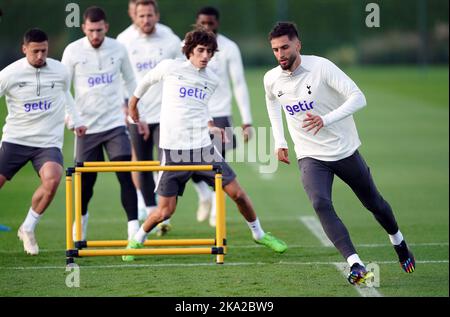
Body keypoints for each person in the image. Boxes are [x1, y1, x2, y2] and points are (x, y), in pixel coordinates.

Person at [264, 22, 415, 285]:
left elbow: (358, 97)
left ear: (298, 44)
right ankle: (355, 263)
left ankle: (398, 242)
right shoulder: (271, 78)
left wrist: (326, 119)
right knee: (320, 203)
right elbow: (272, 101)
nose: (281, 54)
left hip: (344, 151)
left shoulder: (321, 67)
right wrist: (279, 139)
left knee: (374, 204)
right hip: (310, 155)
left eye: (285, 47)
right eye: (275, 50)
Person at [123, 28, 287, 261]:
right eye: (201, 50)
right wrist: (133, 108)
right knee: (164, 211)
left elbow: (200, 108)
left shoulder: (212, 79)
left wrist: (210, 126)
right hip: (173, 151)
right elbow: (143, 84)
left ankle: (259, 233)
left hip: (203, 149)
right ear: (189, 51)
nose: (205, 56)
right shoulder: (170, 67)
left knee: (238, 193)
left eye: (210, 52)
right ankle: (137, 239)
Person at [0, 28, 86, 255]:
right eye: (35, 51)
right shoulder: (9, 74)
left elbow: (67, 95)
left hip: (47, 142)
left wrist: (75, 120)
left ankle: (28, 227)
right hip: (15, 139)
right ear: (24, 49)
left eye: (44, 51)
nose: (40, 56)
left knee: (53, 179)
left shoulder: (60, 71)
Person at [62, 7, 139, 242]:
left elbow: (131, 79)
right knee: (86, 183)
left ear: (106, 27)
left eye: (99, 30)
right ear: (84, 28)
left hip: (115, 124)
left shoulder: (118, 48)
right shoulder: (73, 51)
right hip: (86, 127)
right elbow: (62, 87)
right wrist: (71, 117)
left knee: (125, 174)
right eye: (91, 30)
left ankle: (134, 230)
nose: (95, 35)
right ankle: (80, 228)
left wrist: (132, 107)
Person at [117, 0, 183, 236]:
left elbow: (183, 71)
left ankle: (163, 209)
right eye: (141, 15)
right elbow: (120, 79)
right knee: (142, 164)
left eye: (149, 15)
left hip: (166, 114)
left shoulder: (170, 39)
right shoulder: (123, 41)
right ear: (134, 15)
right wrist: (128, 107)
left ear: (157, 15)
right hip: (137, 114)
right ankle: (153, 210)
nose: (145, 20)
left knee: (166, 163)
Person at [192, 7, 254, 227]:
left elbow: (239, 83)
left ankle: (217, 212)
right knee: (187, 163)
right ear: (197, 23)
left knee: (218, 167)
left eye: (211, 23)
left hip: (220, 115)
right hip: (194, 114)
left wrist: (247, 121)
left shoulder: (229, 48)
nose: (207, 27)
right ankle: (204, 195)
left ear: (217, 23)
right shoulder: (186, 47)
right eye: (203, 23)